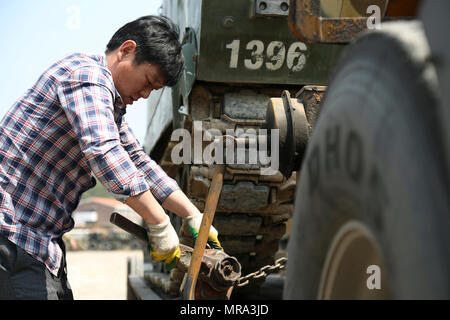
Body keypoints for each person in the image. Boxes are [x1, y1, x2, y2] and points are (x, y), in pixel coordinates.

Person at [0, 15, 221, 300]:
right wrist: (159, 222)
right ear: (127, 50)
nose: (144, 94)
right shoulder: (86, 75)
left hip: (37, 242)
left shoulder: (111, 111)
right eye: (147, 82)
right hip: (11, 233)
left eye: (152, 91)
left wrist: (191, 213)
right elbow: (104, 152)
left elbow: (140, 163)